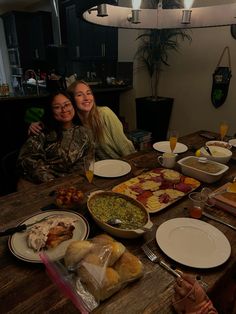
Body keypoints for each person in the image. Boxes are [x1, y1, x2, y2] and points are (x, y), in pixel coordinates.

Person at [29, 80, 136, 159]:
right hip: (102, 170)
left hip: (124, 163)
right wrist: (35, 123)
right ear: (71, 100)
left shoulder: (104, 113)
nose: (86, 98)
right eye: (80, 95)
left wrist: (132, 166)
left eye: (89, 93)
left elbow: (124, 146)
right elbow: (53, 113)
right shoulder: (75, 123)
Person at [17, 91, 93, 189]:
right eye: (57, 107)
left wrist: (70, 181)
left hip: (71, 183)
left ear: (73, 106)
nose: (64, 109)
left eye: (67, 104)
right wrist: (53, 182)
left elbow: (86, 160)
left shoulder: (85, 132)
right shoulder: (41, 130)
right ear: (51, 110)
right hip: (38, 185)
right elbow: (27, 160)